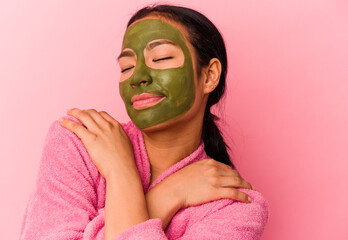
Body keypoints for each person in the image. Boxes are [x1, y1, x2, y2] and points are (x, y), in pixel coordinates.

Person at [20, 4, 268, 240]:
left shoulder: (235, 206)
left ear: (209, 76)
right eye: (126, 67)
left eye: (160, 58)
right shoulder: (81, 140)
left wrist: (121, 176)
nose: (137, 77)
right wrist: (154, 187)